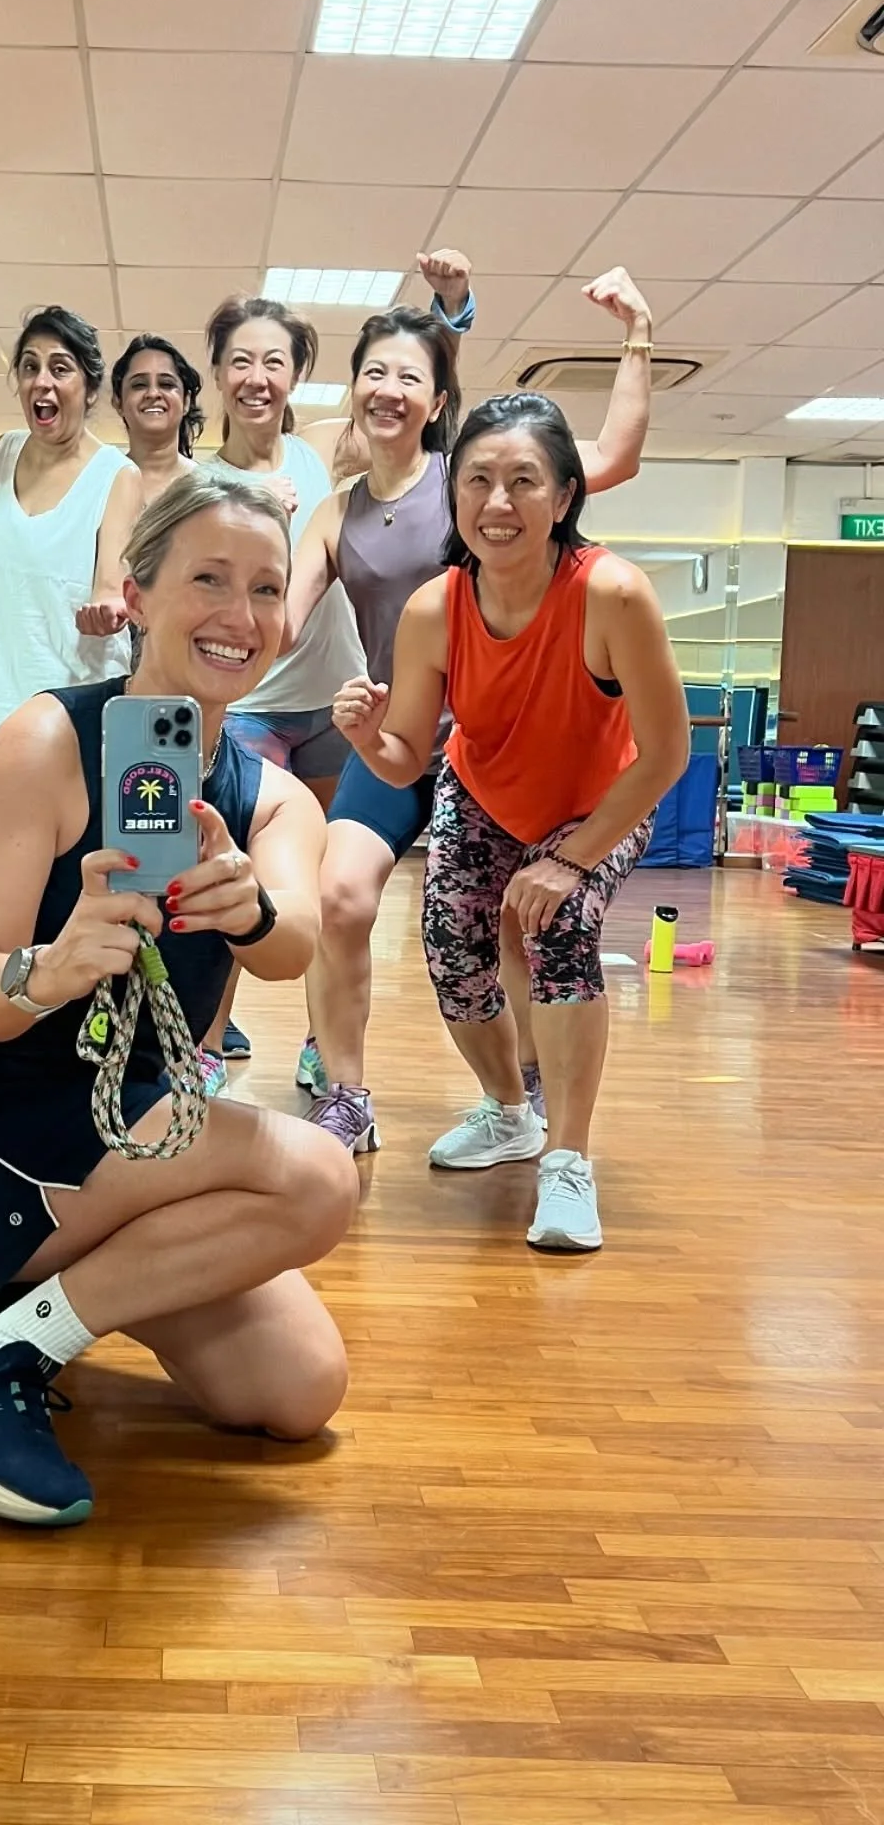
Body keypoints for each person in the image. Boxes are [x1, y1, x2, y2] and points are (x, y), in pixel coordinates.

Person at [0, 473, 357, 1527]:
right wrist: (53, 965)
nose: (241, 615)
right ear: (136, 593)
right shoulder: (45, 743)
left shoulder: (270, 797)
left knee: (296, 1392)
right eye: (209, 580)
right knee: (318, 1181)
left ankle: (2, 1334)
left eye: (268, 589)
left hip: (128, 1136)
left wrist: (250, 910)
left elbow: (295, 951)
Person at [289, 270, 656, 1154]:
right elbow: (282, 619)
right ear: (354, 389)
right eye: (374, 373)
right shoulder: (337, 511)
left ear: (437, 398)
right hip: (408, 741)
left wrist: (637, 337)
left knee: (527, 928)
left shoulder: (483, 477)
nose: (389, 390)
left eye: (410, 375)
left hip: (510, 748)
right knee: (338, 898)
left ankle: (534, 1105)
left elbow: (614, 451)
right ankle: (348, 1091)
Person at [334, 393, 689, 1251]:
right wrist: (364, 736)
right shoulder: (436, 607)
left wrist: (570, 861)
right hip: (483, 796)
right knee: (453, 946)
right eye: (479, 481)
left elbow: (665, 755)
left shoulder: (612, 594)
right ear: (453, 496)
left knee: (561, 931)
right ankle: (508, 1113)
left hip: (597, 804)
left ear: (563, 496)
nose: (498, 504)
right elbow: (406, 758)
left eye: (523, 482)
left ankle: (569, 1160)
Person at [184, 255, 476, 1086]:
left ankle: (326, 1048)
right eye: (241, 359)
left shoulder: (327, 450)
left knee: (322, 892)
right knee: (234, 865)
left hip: (341, 707)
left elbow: (411, 401)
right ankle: (208, 1041)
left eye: (275, 361)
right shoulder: (199, 479)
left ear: (299, 375)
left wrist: (450, 306)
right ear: (219, 373)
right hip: (252, 706)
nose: (257, 376)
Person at [0, 306, 144, 900]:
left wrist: (106, 605)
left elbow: (110, 576)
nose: (42, 382)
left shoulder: (115, 475)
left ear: (89, 387)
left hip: (63, 705)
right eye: (29, 367)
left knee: (54, 868)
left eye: (61, 368)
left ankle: (28, 971)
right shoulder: (2, 452)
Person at [110, 334, 204, 503]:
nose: (153, 393)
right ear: (118, 403)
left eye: (166, 384)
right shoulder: (100, 485)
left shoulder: (208, 488)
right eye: (139, 385)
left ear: (186, 402)